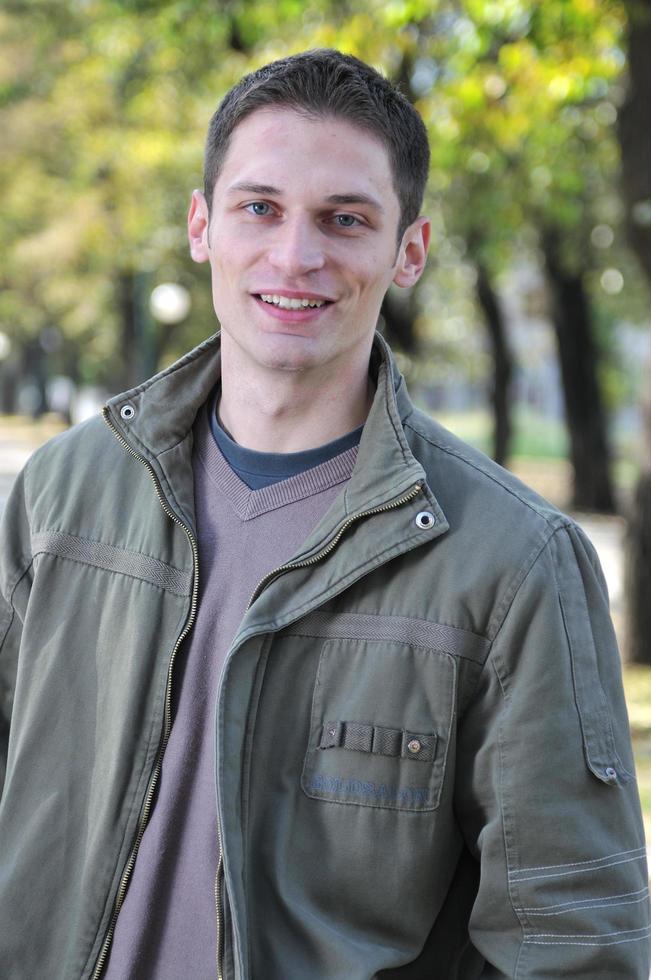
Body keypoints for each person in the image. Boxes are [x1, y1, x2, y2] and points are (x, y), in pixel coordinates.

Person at [0, 49, 649, 980]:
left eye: (344, 220)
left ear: (408, 253)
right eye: (258, 208)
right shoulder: (63, 496)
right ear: (201, 225)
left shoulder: (512, 565)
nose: (295, 255)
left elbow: (571, 945)